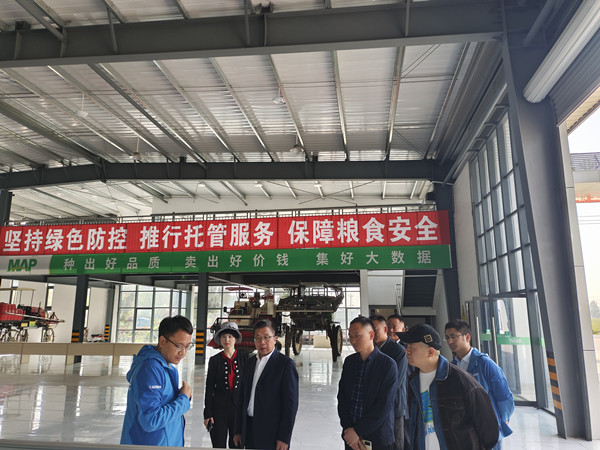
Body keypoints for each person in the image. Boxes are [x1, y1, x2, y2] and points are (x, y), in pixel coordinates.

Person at [398, 324, 499, 450]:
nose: (406, 351)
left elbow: (489, 431)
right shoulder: (412, 382)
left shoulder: (462, 381)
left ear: (430, 352)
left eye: (411, 347)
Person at [120, 315, 194, 447]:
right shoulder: (150, 369)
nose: (183, 352)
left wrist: (179, 395)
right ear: (162, 341)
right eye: (179, 346)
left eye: (188, 346)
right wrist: (183, 400)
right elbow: (151, 420)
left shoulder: (167, 367)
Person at [444, 320, 514, 449]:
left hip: (487, 426)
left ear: (467, 337)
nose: (450, 341)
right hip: (465, 429)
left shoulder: (484, 363)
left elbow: (504, 396)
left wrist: (502, 419)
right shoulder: (452, 367)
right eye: (447, 337)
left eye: (453, 337)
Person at [233, 319, 299, 450]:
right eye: (258, 338)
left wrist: (284, 437)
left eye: (266, 337)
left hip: (272, 433)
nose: (262, 342)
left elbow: (290, 406)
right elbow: (241, 398)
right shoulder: (249, 363)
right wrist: (238, 430)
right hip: (249, 429)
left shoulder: (285, 365)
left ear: (274, 339)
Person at [338, 316, 398, 450]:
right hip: (351, 438)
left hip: (378, 438)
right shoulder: (350, 362)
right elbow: (342, 397)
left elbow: (383, 406)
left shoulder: (387, 365)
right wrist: (348, 428)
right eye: (350, 336)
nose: (353, 340)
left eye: (357, 335)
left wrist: (357, 431)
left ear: (371, 335)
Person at [204, 321, 249, 448]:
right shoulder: (215, 360)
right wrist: (207, 413)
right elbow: (209, 388)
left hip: (238, 409)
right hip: (218, 409)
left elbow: (248, 385)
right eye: (223, 337)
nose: (227, 340)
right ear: (220, 339)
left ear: (236, 339)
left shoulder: (245, 358)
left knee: (237, 444)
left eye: (230, 336)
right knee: (218, 444)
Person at [370, 315, 408, 450]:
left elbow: (395, 383)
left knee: (396, 443)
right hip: (374, 408)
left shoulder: (398, 351)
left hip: (394, 406)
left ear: (384, 329)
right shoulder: (371, 349)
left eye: (375, 330)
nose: (372, 334)